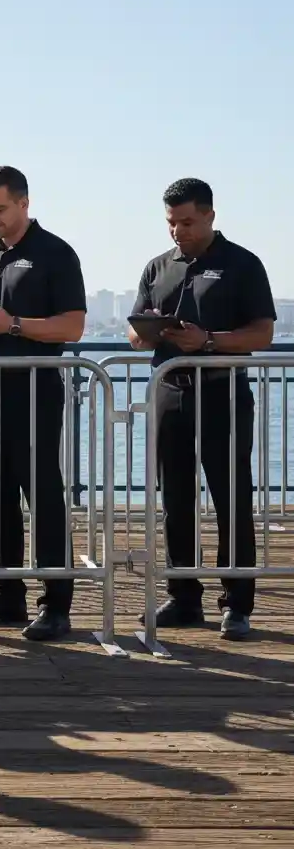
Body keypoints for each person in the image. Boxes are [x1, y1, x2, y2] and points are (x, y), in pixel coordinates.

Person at [129, 178, 275, 641]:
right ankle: (183, 596)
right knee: (175, 498)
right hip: (169, 391)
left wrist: (208, 342)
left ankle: (237, 604)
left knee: (232, 497)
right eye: (171, 222)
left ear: (211, 214)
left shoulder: (242, 264)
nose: (178, 231)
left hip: (222, 391)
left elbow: (262, 334)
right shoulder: (157, 267)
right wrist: (149, 332)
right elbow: (134, 332)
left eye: (187, 221)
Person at [0, 166, 86, 642]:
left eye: (0, 209)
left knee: (43, 493)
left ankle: (56, 603)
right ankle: (7, 596)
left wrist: (12, 325)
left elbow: (71, 327)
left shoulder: (56, 253)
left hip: (34, 388)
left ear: (24, 203)